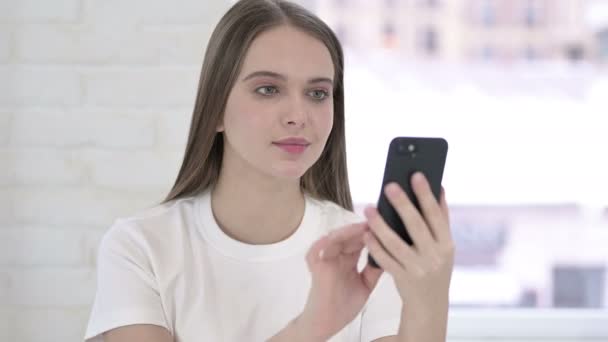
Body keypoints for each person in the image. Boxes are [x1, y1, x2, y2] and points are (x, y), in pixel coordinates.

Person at [83, 0, 455, 341]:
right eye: (267, 89)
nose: (298, 116)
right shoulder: (141, 247)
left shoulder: (367, 257)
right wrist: (312, 327)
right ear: (215, 110)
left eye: (317, 94)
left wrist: (430, 300)